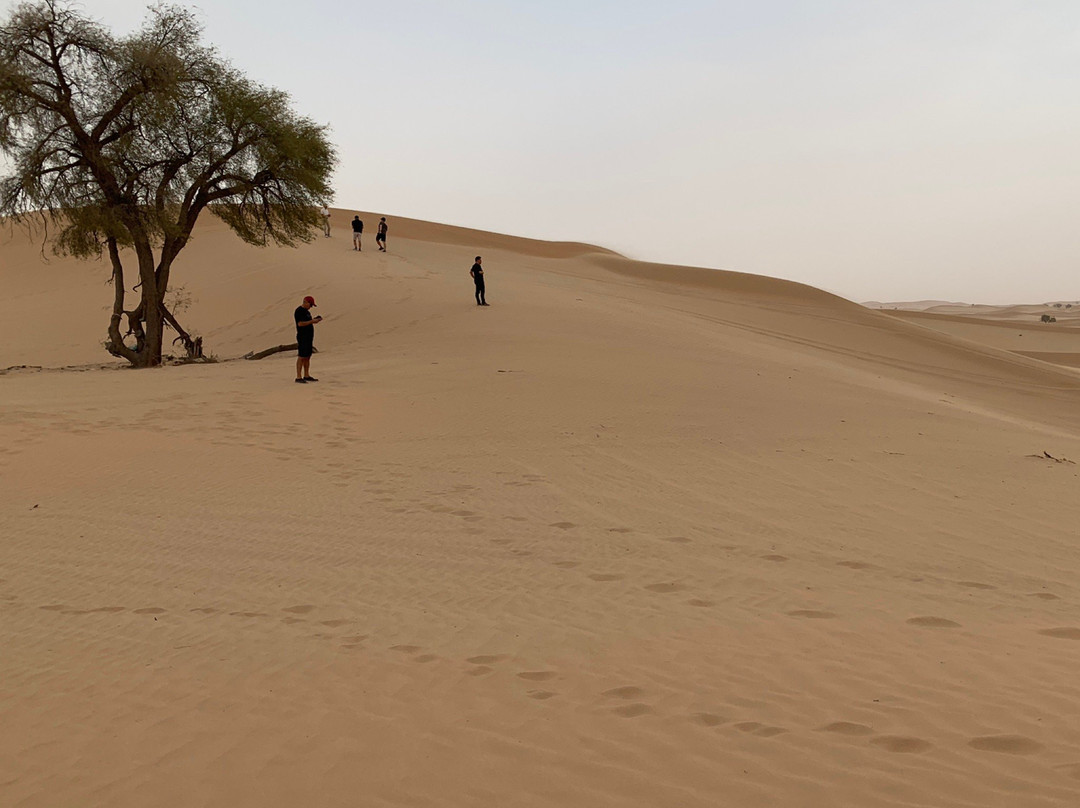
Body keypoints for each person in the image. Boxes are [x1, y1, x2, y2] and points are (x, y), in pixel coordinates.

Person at [294, 295, 323, 383]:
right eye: (310, 305)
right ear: (305, 302)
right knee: (301, 356)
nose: (310, 307)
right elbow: (300, 324)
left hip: (309, 336)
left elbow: (307, 322)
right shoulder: (299, 311)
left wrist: (315, 320)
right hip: (302, 337)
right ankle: (298, 377)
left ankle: (306, 375)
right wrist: (312, 321)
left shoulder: (306, 312)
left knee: (307, 356)